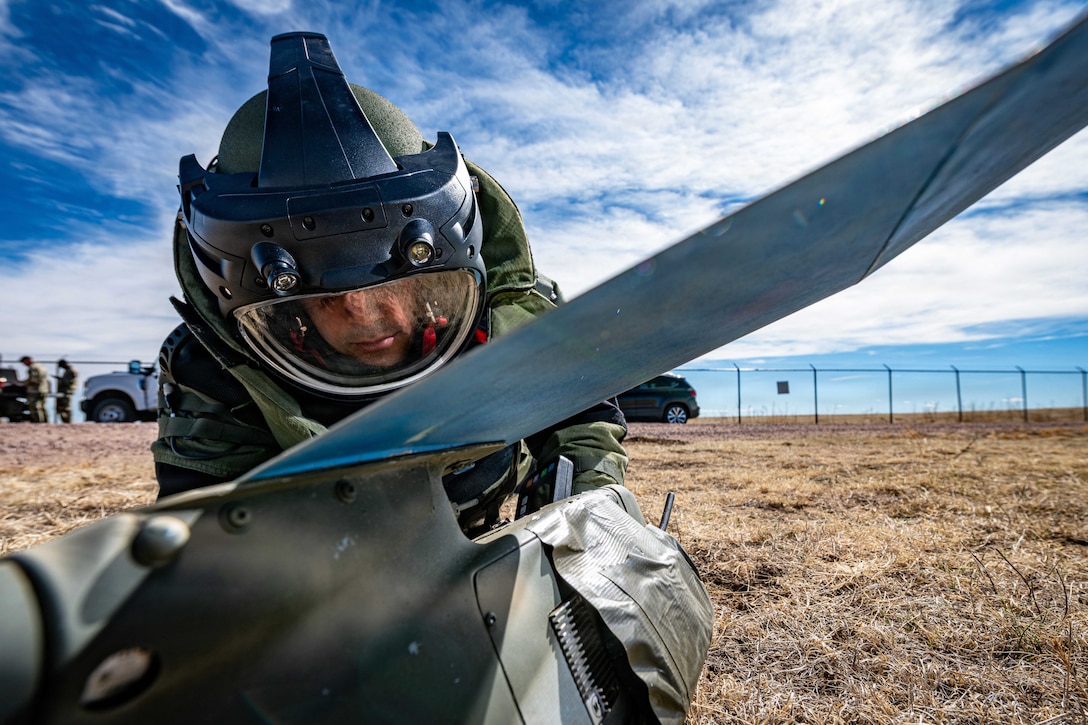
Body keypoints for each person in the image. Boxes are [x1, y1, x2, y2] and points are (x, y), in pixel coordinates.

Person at [152, 32, 627, 534]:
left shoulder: (514, 308)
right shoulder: (211, 366)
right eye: (323, 296)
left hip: (489, 520)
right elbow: (206, 522)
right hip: (330, 555)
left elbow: (580, 415)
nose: (364, 314)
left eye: (389, 284)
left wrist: (581, 510)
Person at [20, 356, 49, 423]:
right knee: (42, 406)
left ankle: (38, 421)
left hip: (35, 390)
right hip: (44, 389)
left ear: (27, 360)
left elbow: (33, 379)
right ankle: (45, 421)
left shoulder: (33, 367)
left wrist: (22, 383)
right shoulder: (41, 366)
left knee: (34, 406)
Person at [54, 359, 78, 423]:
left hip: (67, 390)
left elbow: (68, 381)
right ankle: (65, 420)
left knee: (66, 407)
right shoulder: (67, 371)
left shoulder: (71, 371)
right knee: (62, 406)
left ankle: (68, 420)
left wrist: (61, 379)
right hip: (64, 390)